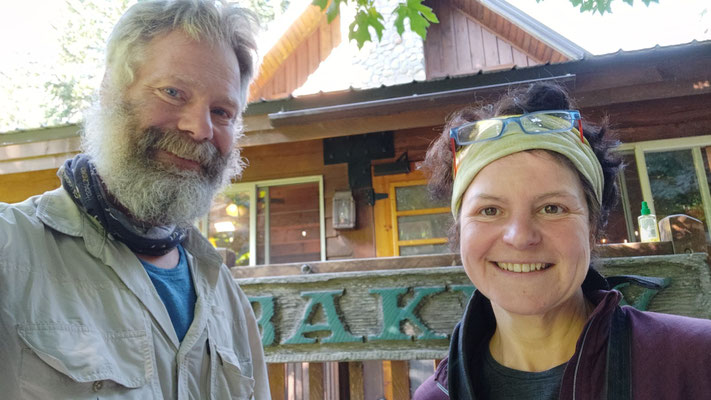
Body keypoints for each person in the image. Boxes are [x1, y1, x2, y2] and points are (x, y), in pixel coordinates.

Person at [0, 1, 270, 398]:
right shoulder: (10, 252)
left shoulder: (227, 297)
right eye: (173, 92)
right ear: (110, 90)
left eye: (222, 111)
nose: (199, 128)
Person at [413, 83, 711, 399]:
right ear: (461, 232)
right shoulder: (435, 396)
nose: (520, 236)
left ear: (592, 225)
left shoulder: (697, 362)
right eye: (489, 210)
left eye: (552, 208)